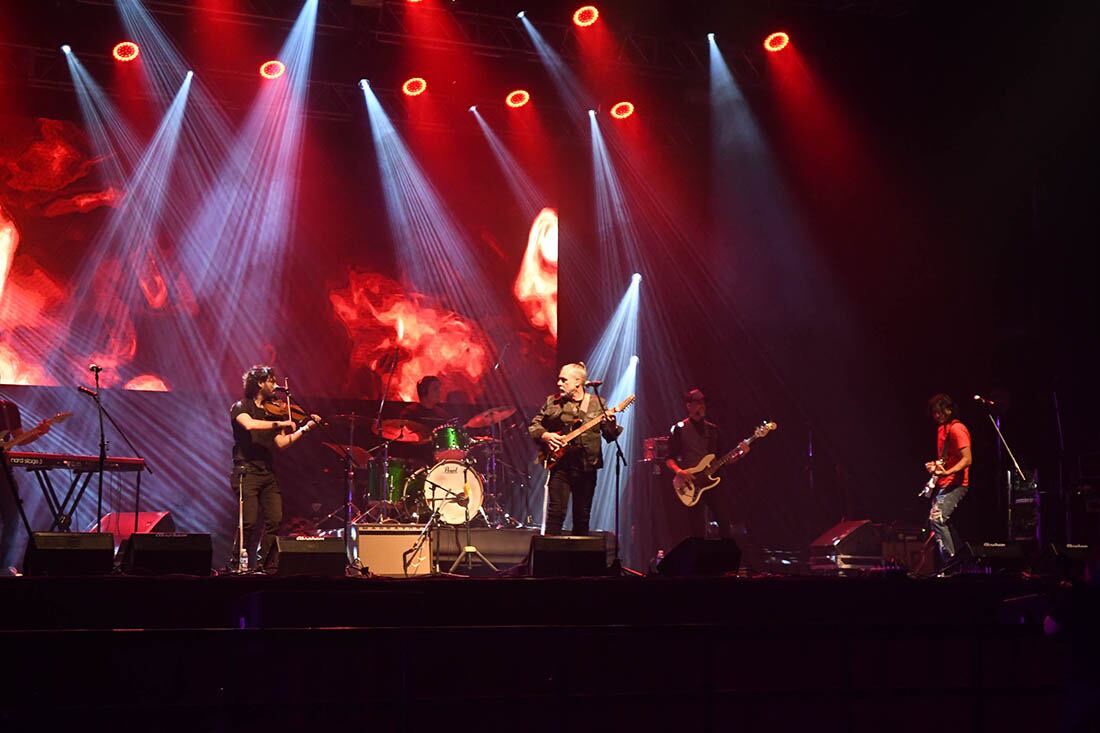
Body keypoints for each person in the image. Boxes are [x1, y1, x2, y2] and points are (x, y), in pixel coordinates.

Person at [229, 365, 320, 573]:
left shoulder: (271, 413)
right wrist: (279, 422)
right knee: (249, 523)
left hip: (267, 473)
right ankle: (236, 565)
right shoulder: (240, 407)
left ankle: (263, 565)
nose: (275, 385)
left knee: (275, 519)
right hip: (246, 471)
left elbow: (281, 443)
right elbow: (250, 425)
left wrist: (305, 428)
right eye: (271, 380)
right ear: (260, 383)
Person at [529, 362, 621, 536]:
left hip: (587, 467)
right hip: (560, 466)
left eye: (564, 380)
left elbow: (610, 436)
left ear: (578, 382)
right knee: (556, 514)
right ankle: (550, 559)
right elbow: (534, 426)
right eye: (559, 380)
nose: (559, 383)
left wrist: (611, 423)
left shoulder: (597, 403)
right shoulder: (553, 402)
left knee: (582, 516)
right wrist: (546, 436)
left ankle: (579, 561)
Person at [665, 389, 746, 539]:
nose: (701, 406)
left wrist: (740, 454)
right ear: (688, 406)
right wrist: (679, 471)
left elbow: (724, 459)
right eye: (697, 403)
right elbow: (669, 458)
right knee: (697, 528)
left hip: (714, 481)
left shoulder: (714, 430)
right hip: (692, 483)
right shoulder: (679, 429)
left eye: (703, 403)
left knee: (724, 523)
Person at [924, 393, 972, 571]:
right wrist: (936, 466)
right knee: (941, 522)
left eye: (939, 412)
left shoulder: (957, 429)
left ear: (949, 409)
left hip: (957, 484)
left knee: (937, 518)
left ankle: (951, 564)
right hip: (946, 483)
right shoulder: (942, 429)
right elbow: (946, 458)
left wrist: (948, 472)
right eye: (934, 413)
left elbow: (967, 459)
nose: (937, 416)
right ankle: (960, 561)